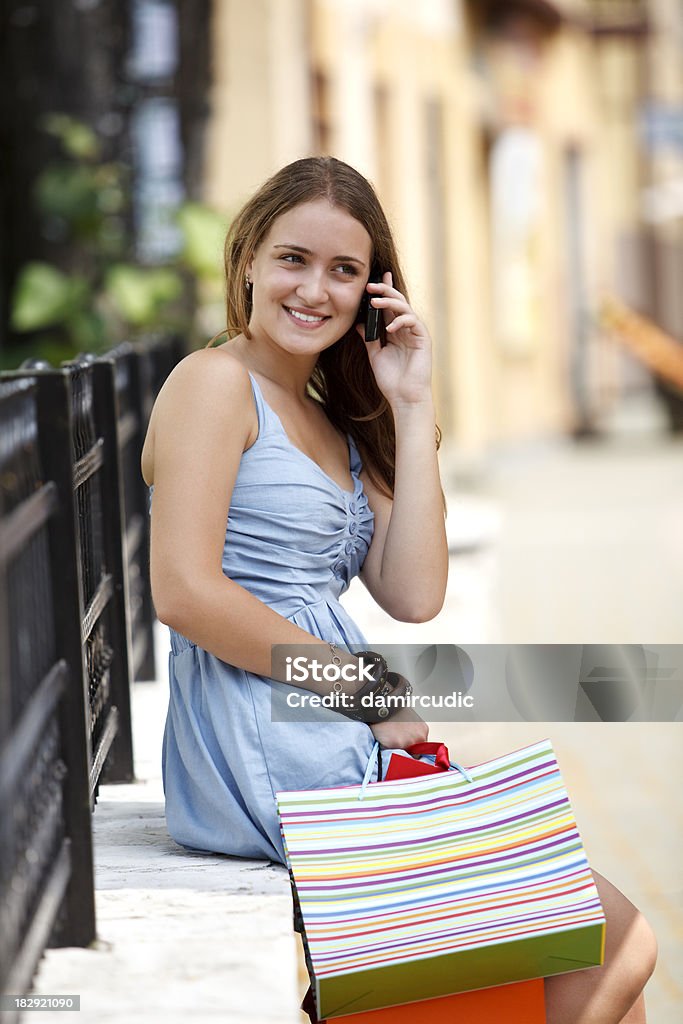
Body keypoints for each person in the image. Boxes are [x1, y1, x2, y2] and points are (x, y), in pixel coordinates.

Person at [141, 157, 656, 1024]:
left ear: (372, 290)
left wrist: (409, 407)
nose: (315, 290)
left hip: (334, 734)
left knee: (588, 958)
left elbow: (415, 593)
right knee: (615, 937)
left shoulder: (327, 409)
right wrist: (365, 691)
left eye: (344, 270)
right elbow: (185, 591)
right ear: (247, 264)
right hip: (265, 740)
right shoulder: (212, 384)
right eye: (293, 259)